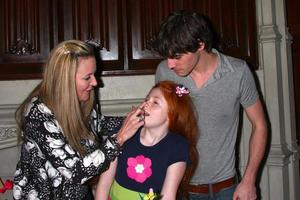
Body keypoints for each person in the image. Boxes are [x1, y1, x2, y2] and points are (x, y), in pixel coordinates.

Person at [152, 10, 267, 200]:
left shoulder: (237, 72)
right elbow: (162, 124)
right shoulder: (165, 73)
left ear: (200, 44)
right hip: (180, 187)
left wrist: (249, 180)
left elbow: (260, 125)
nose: (170, 64)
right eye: (168, 57)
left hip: (226, 189)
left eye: (177, 56)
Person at [12, 40, 144, 200]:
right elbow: (75, 171)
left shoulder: (82, 100)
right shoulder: (37, 114)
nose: (95, 82)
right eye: (87, 77)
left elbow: (98, 125)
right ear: (64, 80)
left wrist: (134, 121)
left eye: (94, 75)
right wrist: (120, 138)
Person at [95, 80, 198, 200]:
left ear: (171, 114)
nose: (145, 104)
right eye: (146, 99)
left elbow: (168, 195)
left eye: (155, 102)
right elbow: (104, 182)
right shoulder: (124, 132)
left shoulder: (177, 146)